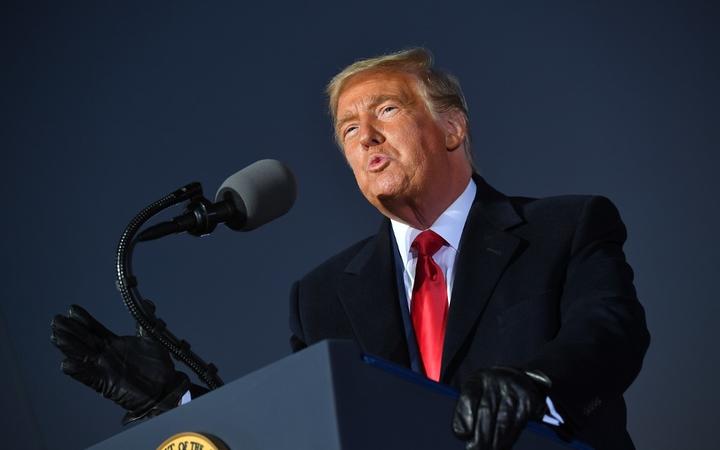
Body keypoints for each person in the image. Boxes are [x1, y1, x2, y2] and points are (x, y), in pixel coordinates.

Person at [51, 48, 649, 450]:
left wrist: (535, 381)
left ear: (452, 128)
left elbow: (610, 334)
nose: (365, 136)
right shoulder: (322, 296)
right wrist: (173, 404)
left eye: (387, 109)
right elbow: (304, 429)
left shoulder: (564, 227)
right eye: (347, 129)